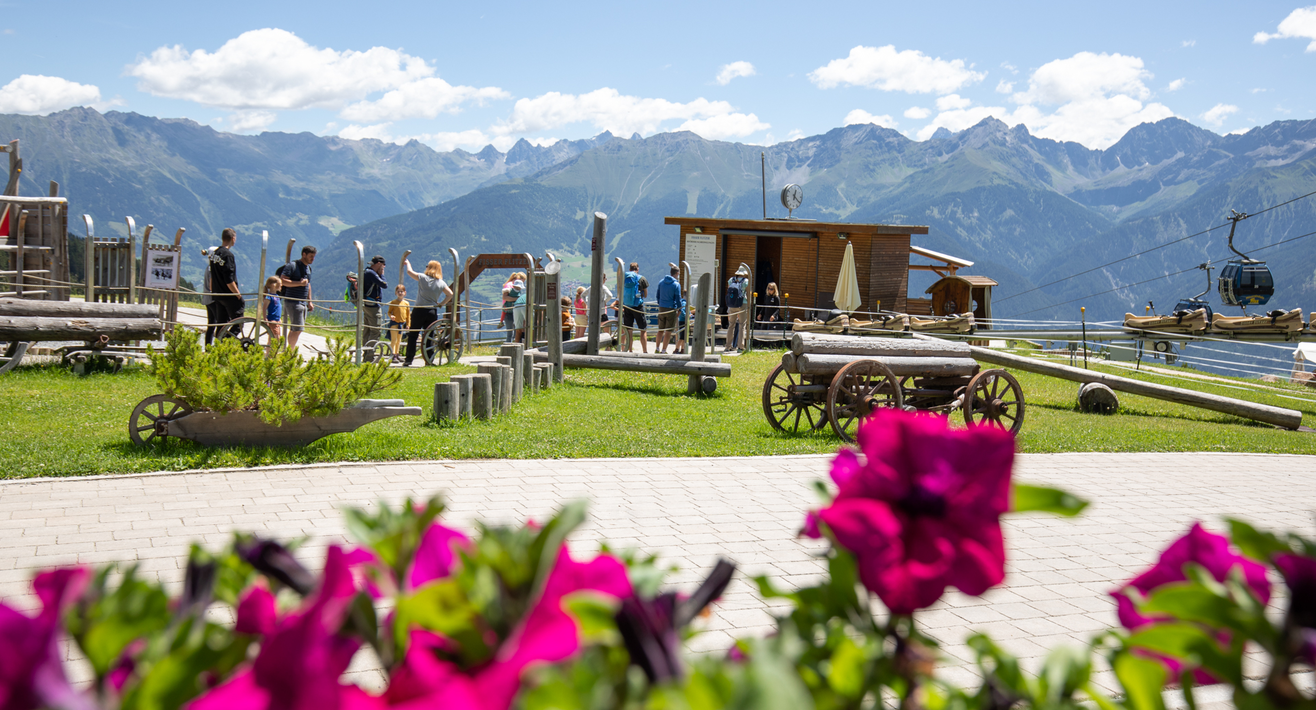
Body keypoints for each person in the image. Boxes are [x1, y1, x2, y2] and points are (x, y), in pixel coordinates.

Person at [402, 259, 453, 367]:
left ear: (429, 268)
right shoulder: (441, 283)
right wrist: (441, 304)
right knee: (429, 336)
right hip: (431, 311)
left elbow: (409, 272)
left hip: (419, 310)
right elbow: (450, 294)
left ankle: (408, 359)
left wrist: (408, 263)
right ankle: (429, 360)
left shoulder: (423, 278)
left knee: (413, 335)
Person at [208, 228, 243, 340]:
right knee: (239, 323)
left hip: (217, 294)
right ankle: (225, 342)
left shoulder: (214, 254)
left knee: (221, 324)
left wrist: (212, 289)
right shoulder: (228, 255)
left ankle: (219, 345)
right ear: (233, 239)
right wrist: (238, 295)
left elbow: (212, 275)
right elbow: (229, 280)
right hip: (228, 295)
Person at [280, 245, 316, 351]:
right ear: (303, 254)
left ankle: (289, 350)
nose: (312, 259)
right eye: (310, 256)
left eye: (313, 257)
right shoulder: (292, 266)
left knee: (296, 329)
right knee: (297, 329)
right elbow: (283, 281)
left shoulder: (308, 268)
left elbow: (308, 284)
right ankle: (290, 352)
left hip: (302, 302)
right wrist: (299, 283)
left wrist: (310, 301)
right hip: (293, 301)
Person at [620, 261, 648, 353]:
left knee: (629, 330)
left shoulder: (625, 278)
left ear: (629, 269)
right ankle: (644, 351)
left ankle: (630, 350)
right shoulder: (641, 278)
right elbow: (646, 294)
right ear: (638, 269)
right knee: (643, 329)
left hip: (627, 306)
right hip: (638, 306)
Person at [361, 255, 387, 355]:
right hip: (373, 305)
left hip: (366, 304)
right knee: (375, 331)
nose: (383, 268)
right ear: (379, 264)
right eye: (383, 266)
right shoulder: (372, 273)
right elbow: (384, 284)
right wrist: (382, 275)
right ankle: (369, 356)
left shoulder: (367, 271)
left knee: (367, 330)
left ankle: (365, 353)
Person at [654, 266, 682, 353]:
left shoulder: (661, 282)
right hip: (671, 309)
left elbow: (657, 296)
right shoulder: (676, 285)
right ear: (677, 273)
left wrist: (661, 304)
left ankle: (657, 348)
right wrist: (679, 309)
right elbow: (678, 298)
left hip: (661, 307)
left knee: (660, 330)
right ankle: (664, 350)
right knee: (668, 331)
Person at [725, 264, 750, 352]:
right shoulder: (746, 281)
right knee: (742, 325)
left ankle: (728, 346)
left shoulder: (731, 280)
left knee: (731, 325)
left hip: (732, 305)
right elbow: (748, 293)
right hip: (742, 304)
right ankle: (740, 346)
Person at [200, 245, 221, 346]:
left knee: (211, 324)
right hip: (213, 299)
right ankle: (218, 344)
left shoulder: (208, 268)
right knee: (219, 323)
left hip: (207, 298)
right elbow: (212, 286)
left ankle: (208, 345)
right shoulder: (212, 269)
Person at [387, 284, 411, 363]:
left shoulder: (406, 303)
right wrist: (391, 316)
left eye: (402, 291)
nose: (400, 293)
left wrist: (408, 324)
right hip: (394, 323)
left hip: (402, 324)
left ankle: (397, 354)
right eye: (398, 292)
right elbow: (389, 312)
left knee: (399, 340)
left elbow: (408, 315)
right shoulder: (393, 302)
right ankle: (392, 354)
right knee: (394, 340)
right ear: (395, 293)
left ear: (405, 293)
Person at [501, 272, 524, 342]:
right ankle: (510, 346)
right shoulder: (509, 287)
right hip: (511, 311)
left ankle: (510, 346)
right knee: (512, 332)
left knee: (513, 332)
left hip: (509, 310)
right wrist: (517, 299)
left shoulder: (511, 287)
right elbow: (504, 297)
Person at [263, 276, 283, 354]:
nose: (281, 286)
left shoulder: (277, 296)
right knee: (275, 338)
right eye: (280, 284)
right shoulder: (269, 297)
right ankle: (270, 355)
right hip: (272, 320)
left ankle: (269, 355)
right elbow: (264, 308)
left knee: (274, 339)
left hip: (277, 320)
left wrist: (279, 318)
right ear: (273, 285)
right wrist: (265, 319)